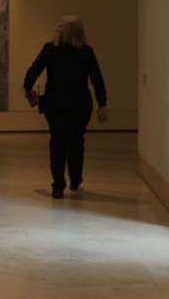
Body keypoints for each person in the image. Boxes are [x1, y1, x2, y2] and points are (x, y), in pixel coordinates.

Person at [23, 16, 108, 199]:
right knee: (77, 141)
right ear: (80, 33)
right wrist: (102, 103)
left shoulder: (49, 49)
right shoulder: (86, 52)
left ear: (60, 32)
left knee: (57, 142)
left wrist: (28, 89)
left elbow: (33, 71)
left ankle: (58, 186)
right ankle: (75, 179)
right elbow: (97, 79)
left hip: (55, 104)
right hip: (80, 104)